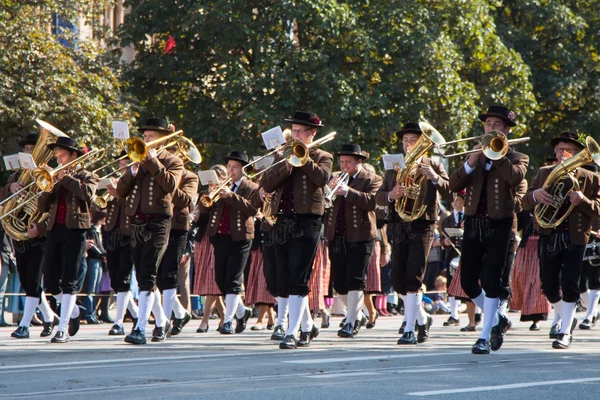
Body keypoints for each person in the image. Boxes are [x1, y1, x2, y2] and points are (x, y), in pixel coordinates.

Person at [449, 105, 528, 354]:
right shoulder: (476, 156)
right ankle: (497, 320)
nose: (490, 128)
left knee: (494, 281)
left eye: (496, 124)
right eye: (487, 124)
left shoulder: (517, 158)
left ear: (506, 129)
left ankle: (483, 336)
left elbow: (515, 178)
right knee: (468, 281)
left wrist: (498, 155)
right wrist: (472, 159)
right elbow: (453, 183)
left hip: (500, 225)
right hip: (474, 224)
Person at [376, 122, 452, 345]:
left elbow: (450, 190)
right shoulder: (394, 166)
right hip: (399, 225)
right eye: (405, 140)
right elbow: (379, 197)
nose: (408, 144)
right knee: (398, 281)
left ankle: (409, 329)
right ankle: (422, 318)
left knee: (414, 277)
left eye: (413, 140)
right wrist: (392, 194)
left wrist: (433, 177)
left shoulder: (434, 164)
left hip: (423, 225)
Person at [261, 111, 333, 350]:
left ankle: (291, 331)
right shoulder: (283, 155)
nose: (295, 135)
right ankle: (307, 325)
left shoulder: (324, 155)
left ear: (312, 133)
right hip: (282, 221)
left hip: (308, 221)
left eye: (300, 131)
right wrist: (286, 162)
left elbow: (321, 179)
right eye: (294, 131)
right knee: (284, 275)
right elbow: (267, 183)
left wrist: (302, 159)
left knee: (298, 277)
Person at [523, 132, 600, 349]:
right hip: (549, 234)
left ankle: (565, 331)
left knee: (570, 283)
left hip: (576, 237)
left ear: (578, 154)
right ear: (555, 153)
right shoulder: (545, 172)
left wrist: (583, 200)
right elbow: (524, 202)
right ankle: (568, 316)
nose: (564, 154)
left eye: (570, 150)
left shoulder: (590, 177)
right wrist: (535, 195)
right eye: (560, 150)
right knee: (548, 286)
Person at [117, 117, 184, 345]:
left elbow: (171, 186)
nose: (145, 141)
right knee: (143, 275)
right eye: (144, 137)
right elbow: (121, 191)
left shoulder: (172, 161)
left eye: (150, 137)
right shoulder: (136, 161)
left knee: (147, 273)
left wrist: (153, 161)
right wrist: (131, 171)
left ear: (162, 139)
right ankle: (163, 320)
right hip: (136, 222)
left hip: (159, 222)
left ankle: (140, 328)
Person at [38, 137, 99, 343]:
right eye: (57, 156)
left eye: (62, 155)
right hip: (55, 229)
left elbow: (87, 194)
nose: (59, 159)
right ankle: (73, 312)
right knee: (50, 283)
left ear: (74, 155)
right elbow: (42, 207)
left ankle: (62, 328)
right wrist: (48, 186)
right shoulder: (56, 177)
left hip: (76, 231)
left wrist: (65, 178)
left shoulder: (87, 175)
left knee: (70, 281)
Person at [0, 133, 58, 338]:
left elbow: (53, 208)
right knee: (26, 281)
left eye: (32, 149)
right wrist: (10, 188)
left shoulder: (50, 174)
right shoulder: (15, 177)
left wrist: (40, 229)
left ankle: (24, 325)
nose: (27, 152)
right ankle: (50, 318)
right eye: (25, 150)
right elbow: (5, 205)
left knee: (33, 279)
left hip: (40, 236)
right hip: (20, 234)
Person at [324, 144, 382, 338]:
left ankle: (350, 322)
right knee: (339, 282)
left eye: (348, 162)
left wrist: (347, 191)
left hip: (361, 236)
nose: (344, 166)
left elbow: (372, 202)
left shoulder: (372, 178)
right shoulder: (334, 176)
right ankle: (355, 314)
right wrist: (328, 189)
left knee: (356, 279)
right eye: (341, 162)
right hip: (337, 235)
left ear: (359, 162)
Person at [198, 151, 259, 335]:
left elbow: (251, 209)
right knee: (220, 280)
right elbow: (203, 209)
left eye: (235, 167)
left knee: (233, 280)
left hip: (241, 238)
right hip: (220, 237)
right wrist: (210, 194)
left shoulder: (251, 187)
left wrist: (230, 196)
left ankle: (228, 321)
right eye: (229, 167)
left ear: (243, 169)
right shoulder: (220, 186)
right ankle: (242, 312)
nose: (231, 171)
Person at [158, 149, 199, 336]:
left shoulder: (190, 177)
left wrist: (167, 181)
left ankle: (164, 321)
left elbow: (185, 201)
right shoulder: (156, 169)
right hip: (158, 225)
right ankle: (181, 313)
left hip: (177, 228)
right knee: (156, 277)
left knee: (168, 274)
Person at [104, 153, 139, 335]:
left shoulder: (136, 182)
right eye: (121, 164)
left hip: (129, 233)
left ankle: (118, 322)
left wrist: (119, 193)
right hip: (113, 232)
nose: (122, 167)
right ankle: (137, 315)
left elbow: (135, 204)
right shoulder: (116, 180)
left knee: (124, 278)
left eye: (127, 164)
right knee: (116, 280)